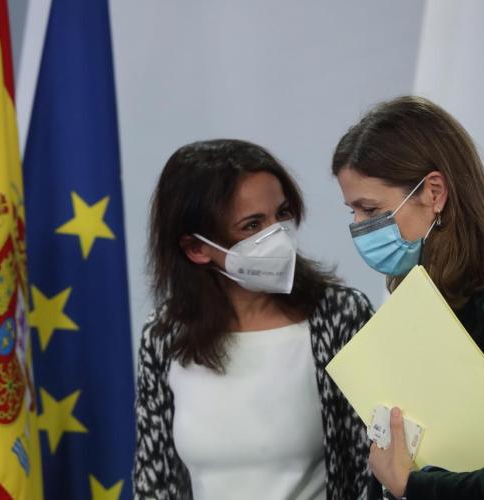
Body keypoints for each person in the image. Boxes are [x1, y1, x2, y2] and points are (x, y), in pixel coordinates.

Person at [331, 96, 484, 499]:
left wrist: (413, 485)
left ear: (434, 192)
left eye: (370, 209)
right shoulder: (419, 294)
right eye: (353, 213)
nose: (359, 227)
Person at [134, 139, 374, 499]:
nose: (276, 235)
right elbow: (154, 477)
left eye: (282, 214)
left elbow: (371, 468)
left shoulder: (340, 316)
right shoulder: (165, 333)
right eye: (251, 225)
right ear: (196, 248)